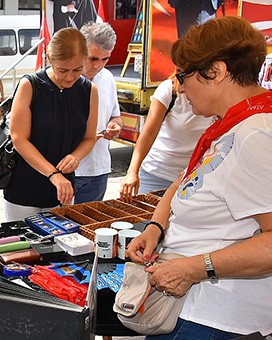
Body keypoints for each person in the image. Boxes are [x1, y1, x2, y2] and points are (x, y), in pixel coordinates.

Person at [127, 16, 272, 338]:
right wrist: (156, 226)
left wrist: (194, 268)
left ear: (216, 72)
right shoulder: (232, 126)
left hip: (218, 319)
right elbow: (187, 180)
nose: (178, 86)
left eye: (183, 75)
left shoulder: (257, 135)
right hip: (197, 307)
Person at [4, 27, 98, 221]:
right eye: (63, 70)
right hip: (25, 187)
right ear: (50, 58)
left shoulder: (89, 90)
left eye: (78, 70)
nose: (70, 77)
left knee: (59, 247)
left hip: (63, 189)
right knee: (24, 249)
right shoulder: (30, 85)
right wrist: (53, 174)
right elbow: (19, 139)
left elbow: (89, 138)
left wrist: (76, 156)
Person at [119, 73, 212, 199]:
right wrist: (132, 172)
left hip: (193, 178)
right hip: (157, 173)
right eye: (180, 75)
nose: (182, 88)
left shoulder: (219, 96)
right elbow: (149, 132)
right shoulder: (170, 90)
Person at [74, 22, 123, 204]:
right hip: (69, 170)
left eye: (105, 59)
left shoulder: (108, 78)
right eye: (93, 58)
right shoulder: (65, 79)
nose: (98, 66)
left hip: (99, 170)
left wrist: (115, 125)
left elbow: (115, 116)